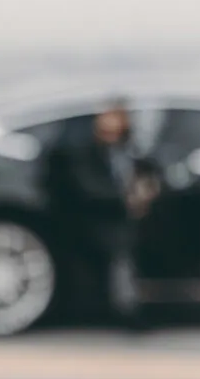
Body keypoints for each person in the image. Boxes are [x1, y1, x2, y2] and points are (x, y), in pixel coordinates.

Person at [42, 97, 159, 329]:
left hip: (128, 219)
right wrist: (127, 200)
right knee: (120, 247)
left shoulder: (130, 151)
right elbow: (88, 189)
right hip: (97, 220)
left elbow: (149, 175)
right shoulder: (83, 151)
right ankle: (127, 308)